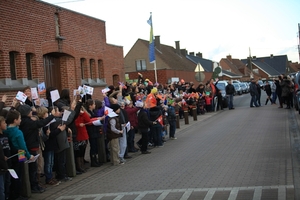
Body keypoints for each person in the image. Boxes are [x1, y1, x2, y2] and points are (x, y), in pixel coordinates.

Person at [4, 110, 34, 199]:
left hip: (9, 154)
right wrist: (28, 156)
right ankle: (17, 195)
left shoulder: (6, 131)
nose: (21, 120)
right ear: (15, 120)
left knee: (11, 175)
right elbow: (22, 146)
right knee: (18, 174)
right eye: (19, 118)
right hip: (20, 154)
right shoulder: (18, 132)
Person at [0, 116, 10, 200]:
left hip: (7, 162)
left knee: (7, 182)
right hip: (2, 165)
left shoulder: (5, 134)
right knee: (1, 188)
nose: (6, 124)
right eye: (4, 123)